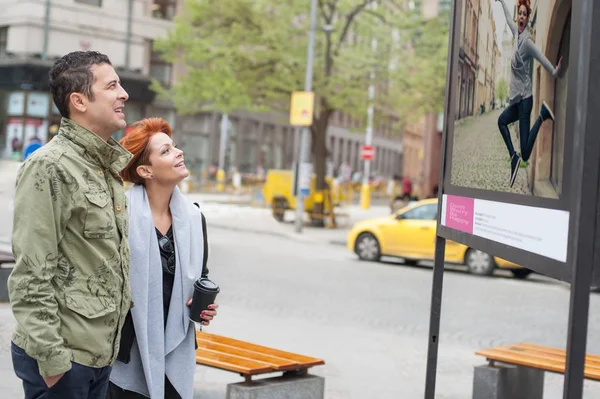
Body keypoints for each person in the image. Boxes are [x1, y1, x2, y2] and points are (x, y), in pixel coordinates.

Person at [8, 51, 132, 398]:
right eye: (112, 86)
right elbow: (31, 271)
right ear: (79, 101)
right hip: (65, 361)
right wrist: (52, 360)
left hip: (99, 356)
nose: (123, 94)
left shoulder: (103, 166)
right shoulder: (50, 166)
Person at [107, 118, 218, 399]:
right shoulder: (120, 215)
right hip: (129, 355)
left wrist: (204, 306)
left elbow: (199, 276)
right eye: (166, 151)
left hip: (176, 349)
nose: (178, 152)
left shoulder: (194, 218)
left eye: (175, 147)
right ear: (146, 170)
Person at [496, 0, 564, 187]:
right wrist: (502, 1)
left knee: (526, 153)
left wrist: (554, 71)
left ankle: (542, 115)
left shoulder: (526, 42)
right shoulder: (515, 33)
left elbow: (541, 57)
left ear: (527, 19)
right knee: (501, 122)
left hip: (525, 101)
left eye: (525, 15)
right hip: (517, 101)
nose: (522, 17)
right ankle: (513, 157)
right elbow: (507, 17)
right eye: (520, 13)